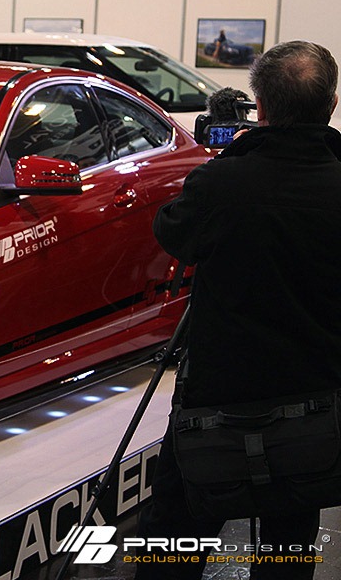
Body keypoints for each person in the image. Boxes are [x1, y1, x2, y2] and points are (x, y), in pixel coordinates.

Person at [135, 40, 341, 580]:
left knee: (174, 540)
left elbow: (172, 231)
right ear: (332, 103)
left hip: (217, 396)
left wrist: (231, 156)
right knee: (288, 546)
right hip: (313, 399)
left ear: (261, 106)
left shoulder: (223, 182)